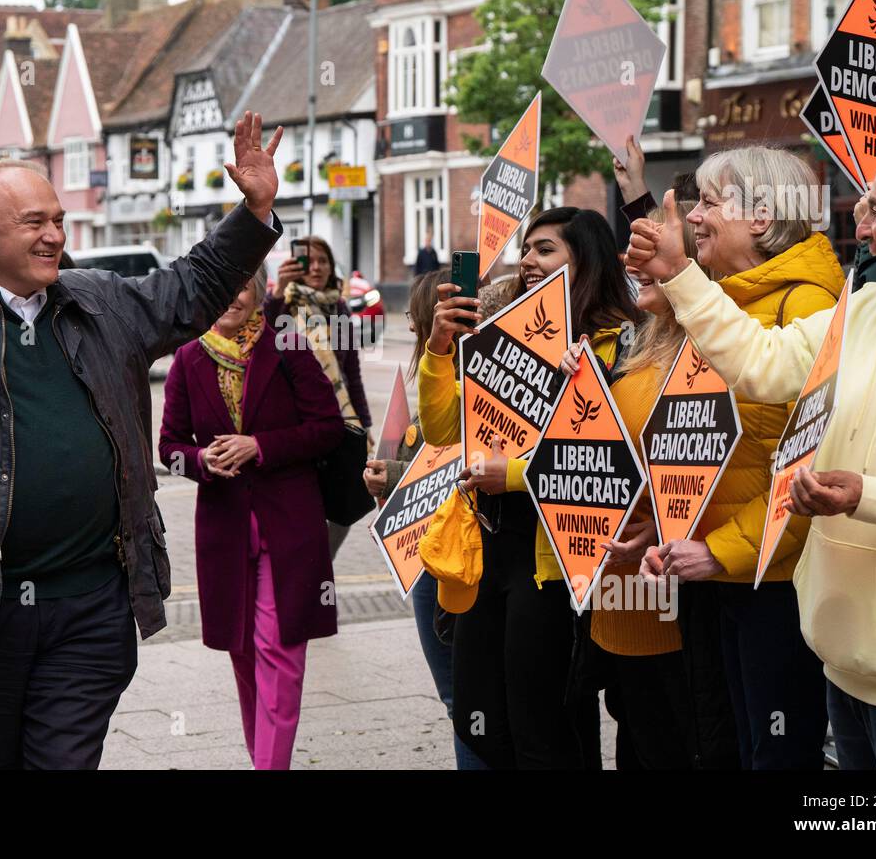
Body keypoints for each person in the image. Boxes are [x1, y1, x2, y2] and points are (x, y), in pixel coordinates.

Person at [0, 87, 285, 769]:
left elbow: (191, 287)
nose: (53, 236)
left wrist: (253, 211)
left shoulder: (101, 302)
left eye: (59, 221)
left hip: (90, 609)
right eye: (33, 222)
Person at [628, 135, 876, 770]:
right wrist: (681, 275)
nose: (858, 225)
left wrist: (867, 496)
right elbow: (760, 364)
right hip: (844, 662)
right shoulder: (865, 310)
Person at [635, 148, 844, 770]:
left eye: (709, 201)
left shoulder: (803, 305)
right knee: (726, 747)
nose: (695, 215)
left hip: (774, 583)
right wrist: (666, 521)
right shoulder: (726, 300)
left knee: (776, 754)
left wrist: (721, 548)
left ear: (760, 216)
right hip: (717, 572)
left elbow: (811, 462)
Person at [419, 207, 641, 769]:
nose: (528, 261)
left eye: (546, 249)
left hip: (557, 559)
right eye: (527, 249)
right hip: (488, 548)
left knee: (546, 726)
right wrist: (440, 351)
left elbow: (608, 461)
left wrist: (512, 475)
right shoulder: (506, 335)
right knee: (483, 717)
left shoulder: (621, 344)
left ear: (584, 258)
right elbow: (446, 431)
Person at [158, 266, 341, 769]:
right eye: (222, 286)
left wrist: (259, 445)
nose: (231, 298)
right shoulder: (188, 360)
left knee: (279, 649)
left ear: (259, 292)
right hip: (225, 531)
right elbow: (169, 447)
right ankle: (264, 759)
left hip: (290, 526)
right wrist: (201, 461)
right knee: (244, 654)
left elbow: (328, 428)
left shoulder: (289, 347)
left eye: (240, 286)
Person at [543, 202, 703, 769]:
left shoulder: (701, 350)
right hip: (619, 600)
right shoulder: (643, 346)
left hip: (666, 602)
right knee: (635, 740)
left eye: (653, 257)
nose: (635, 266)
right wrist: (578, 393)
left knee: (665, 744)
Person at [361, 268, 485, 770]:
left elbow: (462, 463)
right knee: (463, 700)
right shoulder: (436, 376)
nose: (429, 334)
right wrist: (388, 479)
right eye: (424, 325)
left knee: (465, 700)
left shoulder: (478, 380)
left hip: (460, 562)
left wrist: (393, 476)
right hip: (431, 561)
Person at [267, 234, 372, 559]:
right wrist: (279, 294)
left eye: (323, 260)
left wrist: (364, 426)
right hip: (298, 425)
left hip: (338, 423)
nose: (316, 267)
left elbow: (350, 370)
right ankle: (306, 574)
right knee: (307, 505)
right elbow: (263, 339)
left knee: (345, 507)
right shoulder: (286, 303)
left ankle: (319, 566)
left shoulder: (338, 307)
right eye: (308, 261)